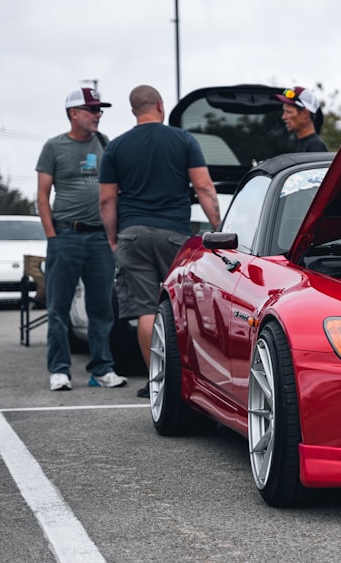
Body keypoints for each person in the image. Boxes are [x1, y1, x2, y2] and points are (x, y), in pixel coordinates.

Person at [99, 85, 221, 398]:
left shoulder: (116, 147)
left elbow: (107, 200)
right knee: (178, 308)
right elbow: (205, 188)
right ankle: (185, 380)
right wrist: (220, 227)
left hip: (133, 233)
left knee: (144, 310)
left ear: (133, 111)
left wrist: (113, 238)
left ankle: (157, 382)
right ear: (160, 106)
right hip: (174, 236)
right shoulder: (183, 140)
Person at [35, 87, 127, 391]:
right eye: (92, 110)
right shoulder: (54, 147)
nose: (98, 115)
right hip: (66, 235)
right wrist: (53, 237)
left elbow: (117, 189)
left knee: (101, 307)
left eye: (100, 110)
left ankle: (102, 369)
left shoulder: (105, 144)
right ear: (74, 113)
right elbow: (42, 196)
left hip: (99, 238)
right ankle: (59, 370)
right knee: (59, 307)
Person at [275, 86, 328, 152]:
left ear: (305, 114)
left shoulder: (315, 146)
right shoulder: (303, 144)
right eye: (284, 111)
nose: (283, 117)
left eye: (288, 112)